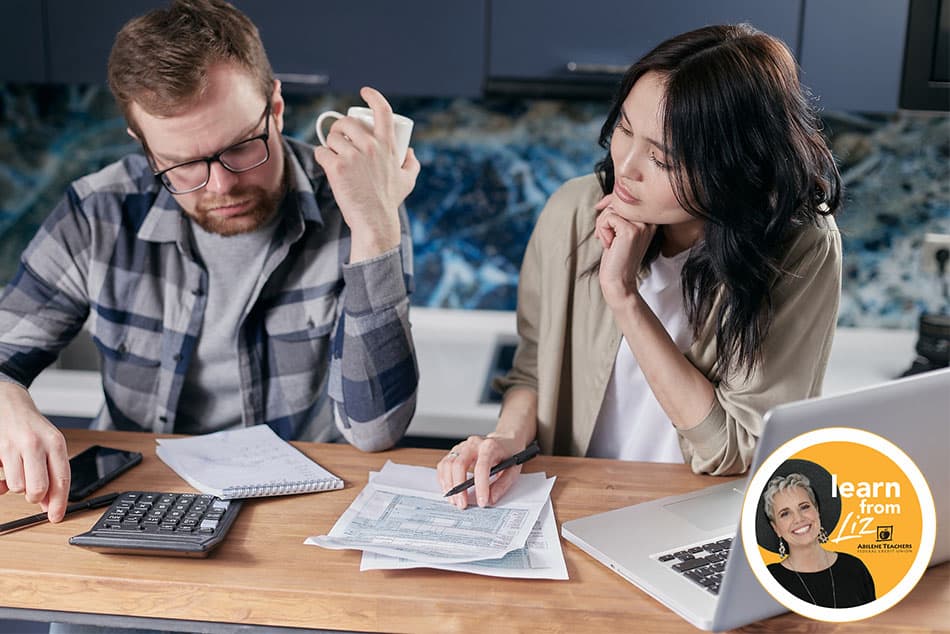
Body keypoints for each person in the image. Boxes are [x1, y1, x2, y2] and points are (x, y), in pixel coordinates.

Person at [0, 0, 420, 525]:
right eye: (180, 165)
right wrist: (7, 400)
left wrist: (376, 229)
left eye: (242, 147)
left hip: (297, 513)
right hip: (135, 503)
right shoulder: (97, 211)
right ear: (142, 144)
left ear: (276, 106)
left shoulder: (360, 205)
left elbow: (376, 429)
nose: (221, 186)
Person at [438, 23, 842, 508]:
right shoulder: (574, 211)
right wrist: (505, 441)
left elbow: (733, 449)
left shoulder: (798, 248)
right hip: (575, 506)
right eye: (625, 129)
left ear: (733, 166)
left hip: (696, 520)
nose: (626, 167)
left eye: (662, 159)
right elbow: (534, 369)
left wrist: (624, 296)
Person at [763, 472, 875, 608]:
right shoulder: (766, 580)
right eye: (785, 514)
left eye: (804, 507)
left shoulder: (854, 568)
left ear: (817, 511)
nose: (798, 519)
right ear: (776, 528)